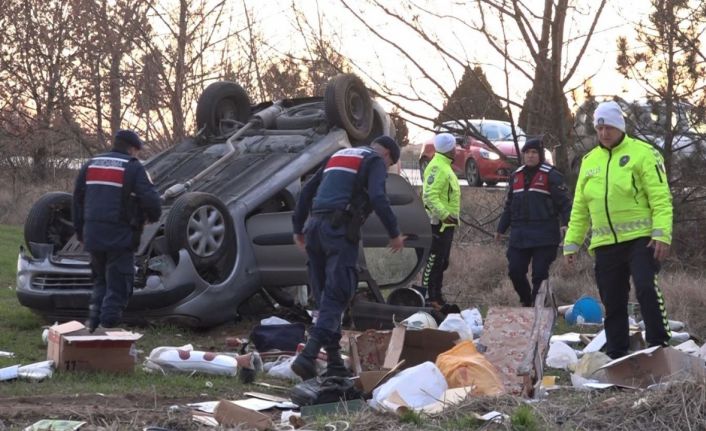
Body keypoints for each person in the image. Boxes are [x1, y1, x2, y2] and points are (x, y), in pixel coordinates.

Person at [564, 100, 673, 359]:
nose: (604, 133)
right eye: (599, 128)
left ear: (620, 126)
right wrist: (572, 242)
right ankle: (617, 354)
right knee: (612, 300)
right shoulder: (589, 161)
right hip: (604, 243)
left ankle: (659, 346)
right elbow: (580, 207)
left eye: (609, 127)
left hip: (641, 239)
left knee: (646, 288)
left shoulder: (643, 153)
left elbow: (660, 197)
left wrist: (662, 233)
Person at [291, 136, 405, 380]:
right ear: (386, 154)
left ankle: (334, 364)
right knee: (339, 293)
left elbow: (307, 191)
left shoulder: (340, 155)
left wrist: (297, 228)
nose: (386, 169)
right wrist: (394, 233)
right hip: (339, 231)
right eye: (390, 164)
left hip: (314, 229)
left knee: (325, 299)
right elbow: (378, 197)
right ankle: (309, 354)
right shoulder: (374, 160)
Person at [73, 130, 161, 332]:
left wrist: (80, 232)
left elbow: (77, 200)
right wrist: (152, 217)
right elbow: (151, 200)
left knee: (100, 282)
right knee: (119, 284)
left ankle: (93, 327)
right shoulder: (133, 167)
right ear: (132, 149)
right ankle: (108, 328)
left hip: (93, 236)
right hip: (119, 236)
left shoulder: (91, 164)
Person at [495, 138, 572, 306]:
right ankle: (526, 301)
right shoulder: (516, 176)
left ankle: (537, 308)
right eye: (527, 153)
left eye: (534, 152)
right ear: (523, 155)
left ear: (540, 155)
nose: (530, 156)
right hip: (520, 234)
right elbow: (509, 205)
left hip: (544, 234)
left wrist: (566, 224)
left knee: (539, 274)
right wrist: (501, 228)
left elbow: (565, 204)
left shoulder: (552, 175)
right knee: (515, 271)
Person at [420, 132, 460, 308]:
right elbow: (429, 195)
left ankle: (437, 295)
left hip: (447, 225)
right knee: (433, 262)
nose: (456, 150)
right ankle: (429, 297)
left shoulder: (445, 166)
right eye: (454, 147)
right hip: (437, 224)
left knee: (442, 262)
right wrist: (444, 215)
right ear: (450, 149)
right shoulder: (437, 167)